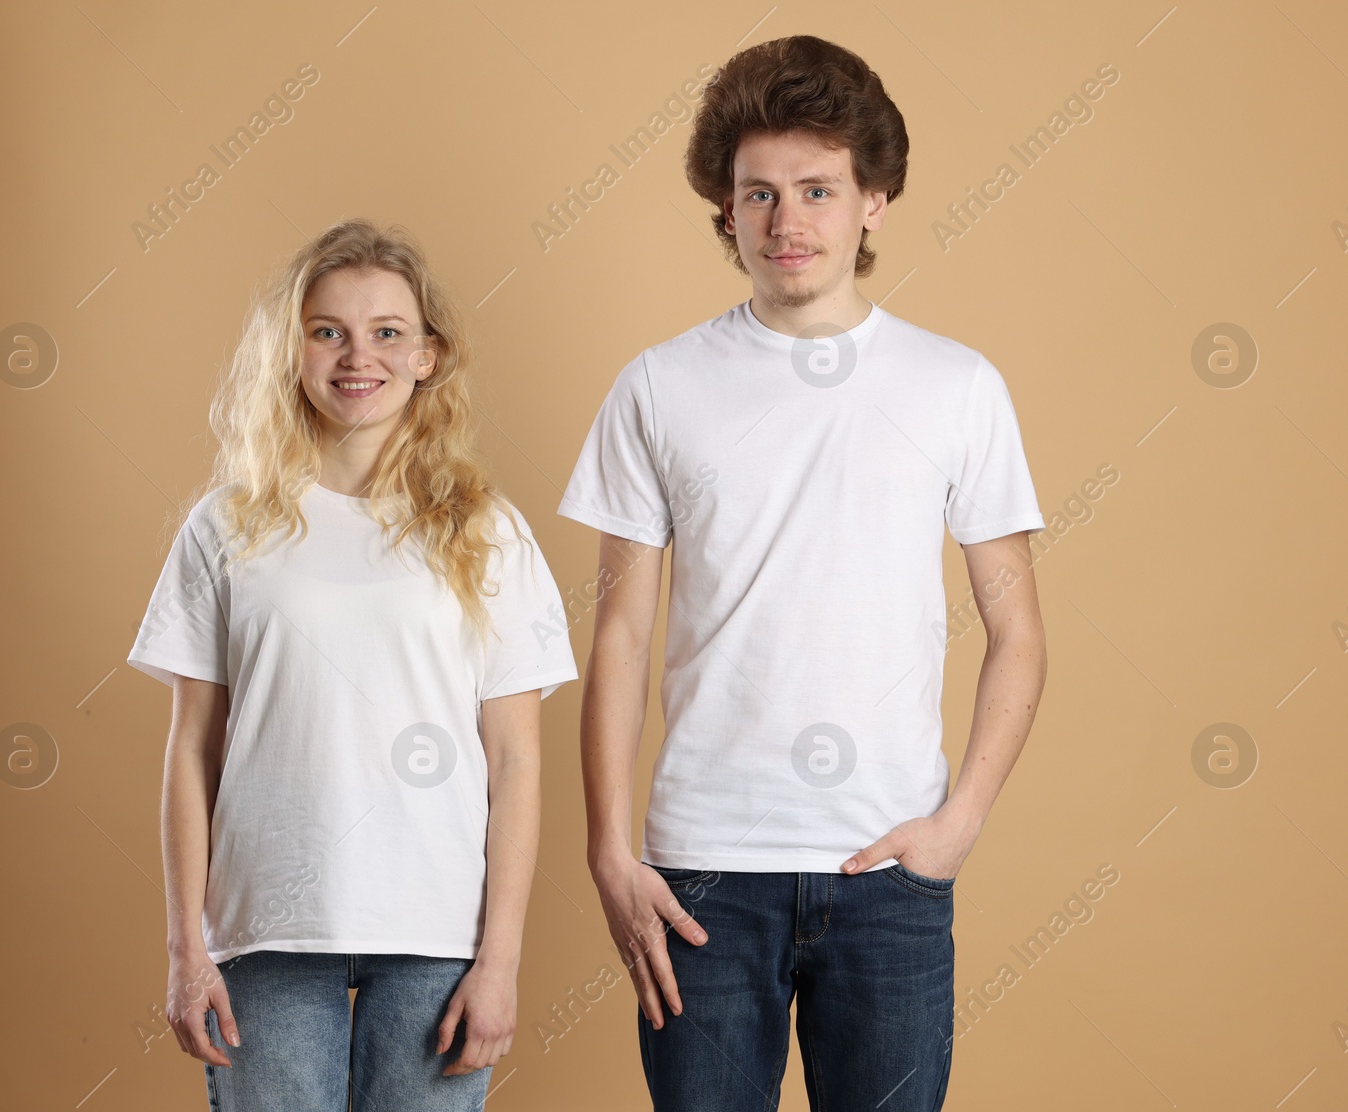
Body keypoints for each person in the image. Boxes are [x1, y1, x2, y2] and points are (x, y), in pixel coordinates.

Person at [557, 35, 1049, 1111]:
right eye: (760, 194)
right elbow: (621, 637)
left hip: (888, 872)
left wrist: (956, 821)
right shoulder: (658, 387)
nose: (787, 223)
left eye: (818, 190)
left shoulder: (955, 387)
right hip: (699, 877)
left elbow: (1017, 630)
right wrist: (608, 850)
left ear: (875, 197)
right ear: (724, 210)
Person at [127, 219, 578, 1111]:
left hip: (437, 930)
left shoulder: (488, 531)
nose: (354, 356)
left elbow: (517, 761)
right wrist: (188, 951)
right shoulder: (226, 526)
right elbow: (191, 753)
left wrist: (501, 958)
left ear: (428, 356)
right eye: (327, 330)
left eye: (386, 333)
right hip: (266, 929)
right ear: (291, 350)